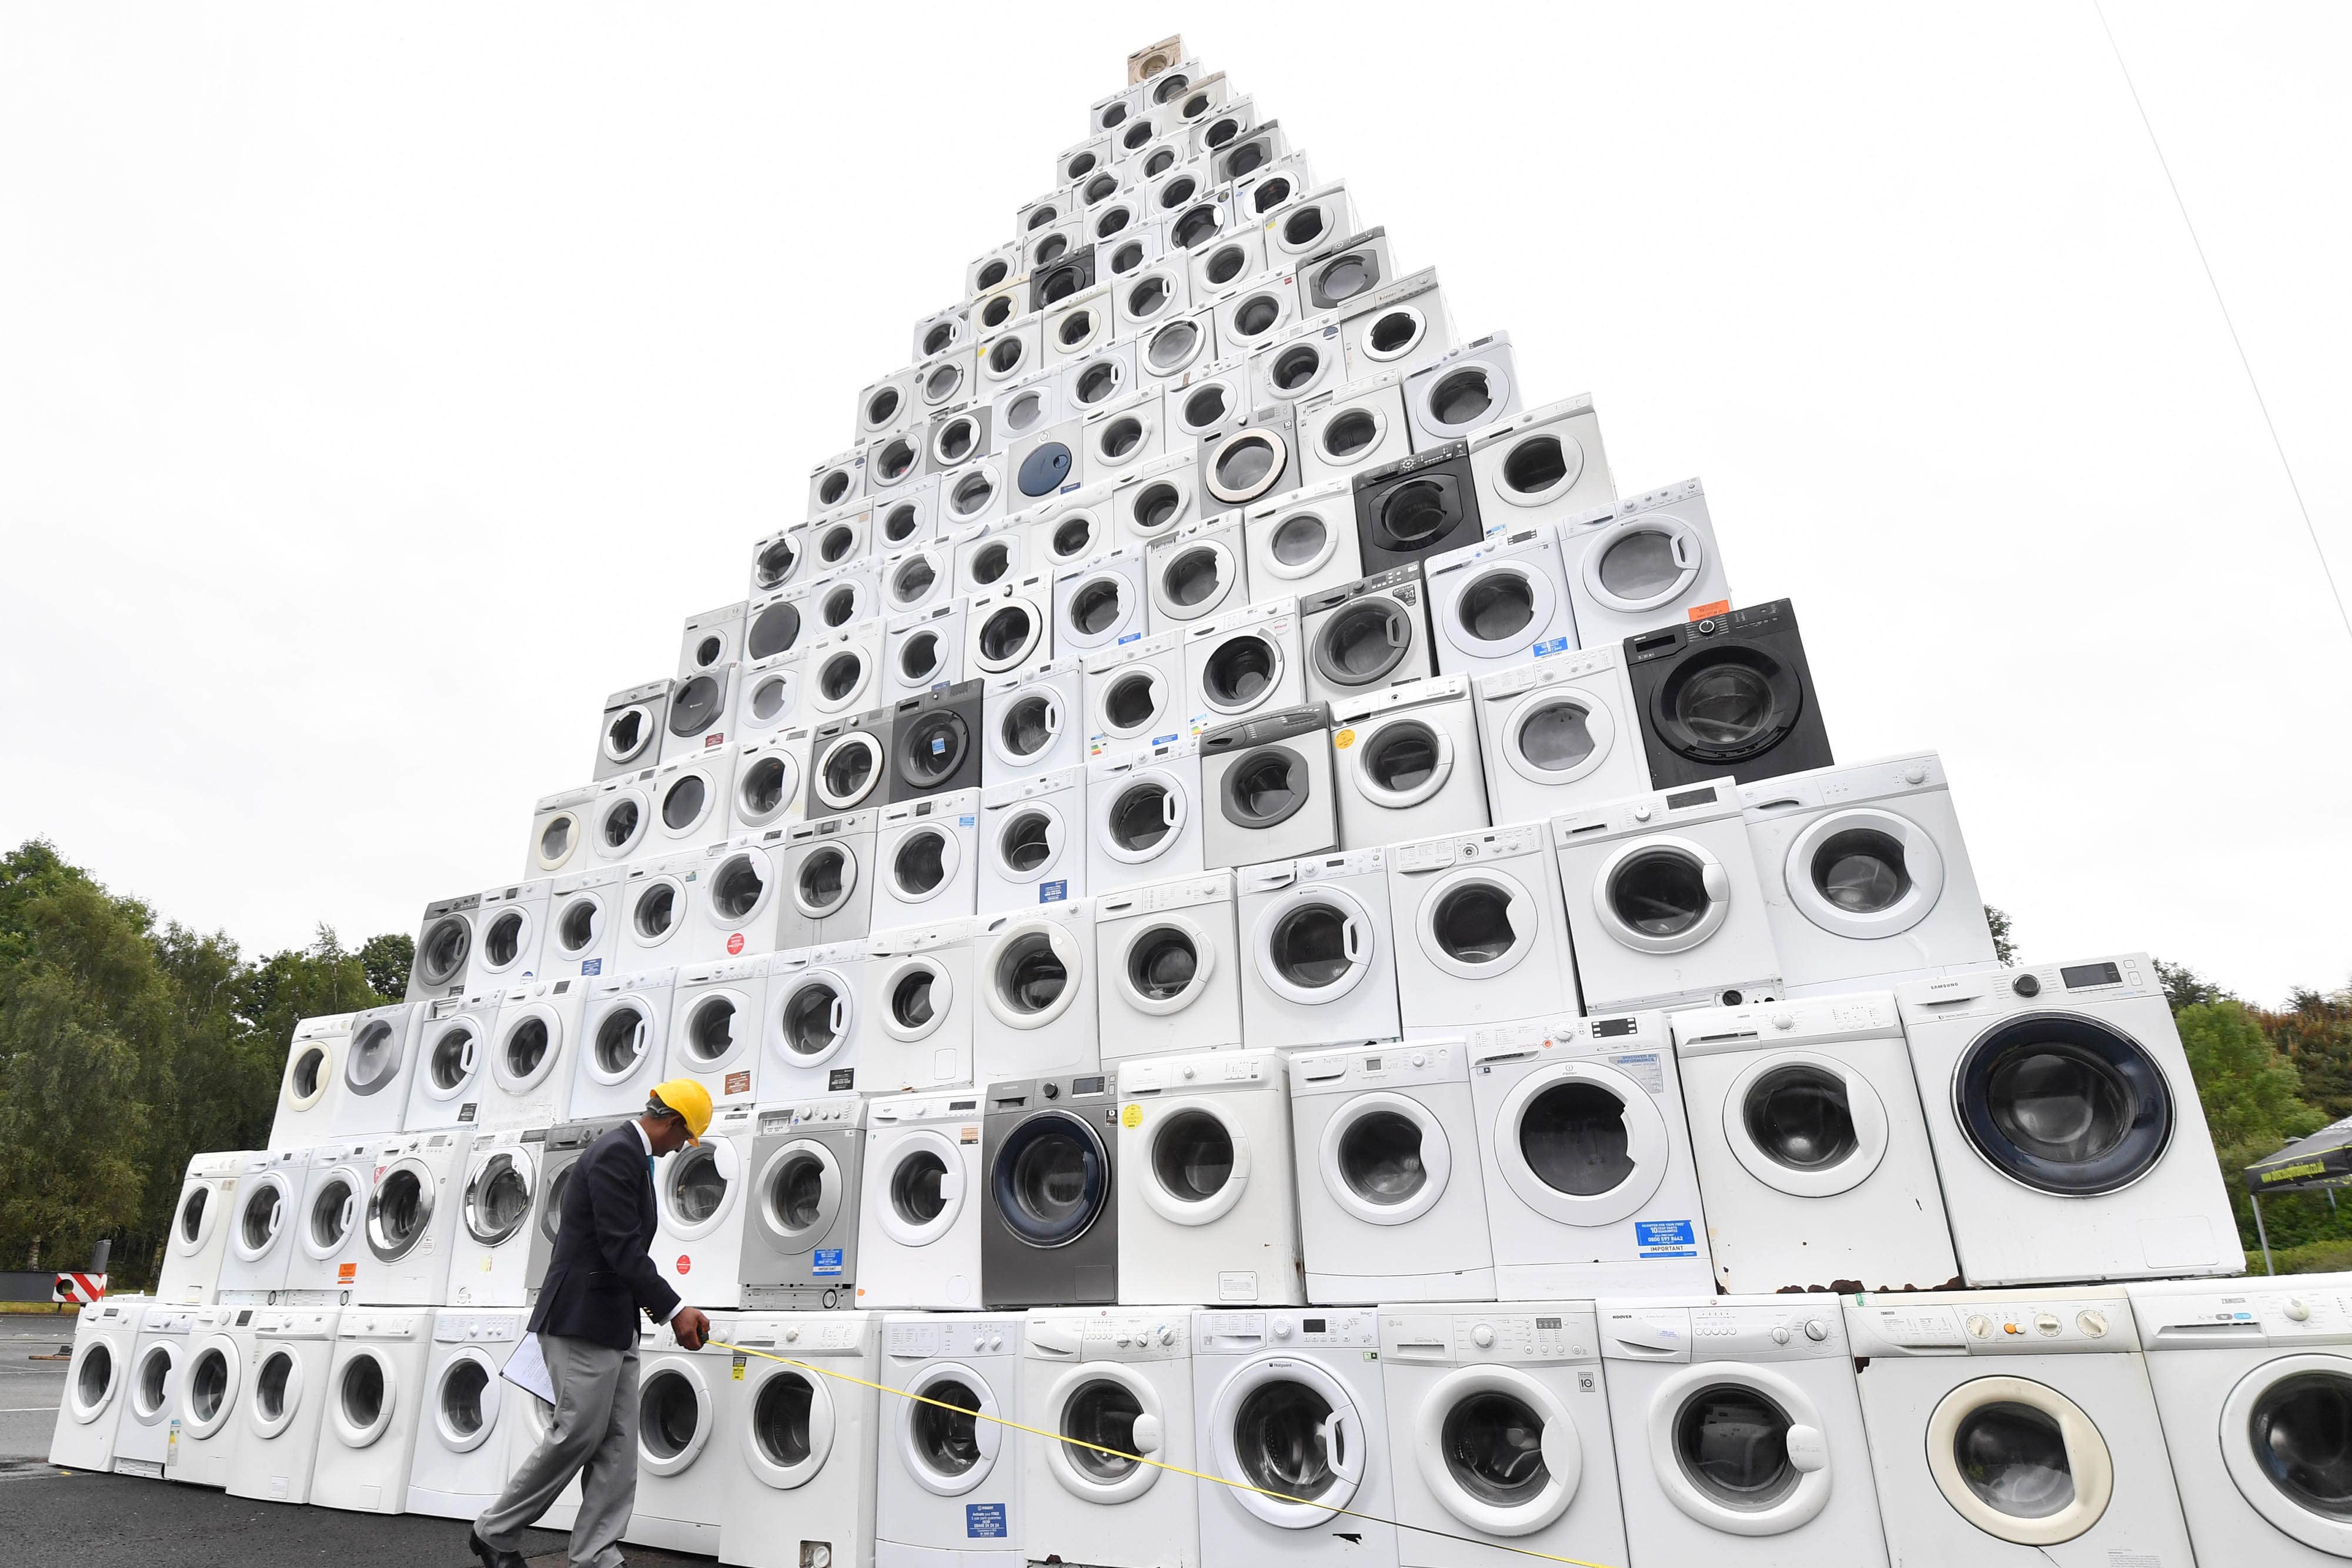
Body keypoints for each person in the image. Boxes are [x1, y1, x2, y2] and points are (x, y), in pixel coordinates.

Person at [470, 1081, 717, 1568]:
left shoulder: (632, 1154)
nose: (676, 1151)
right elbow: (619, 1245)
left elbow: (622, 1251)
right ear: (670, 1122)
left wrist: (652, 1308)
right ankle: (494, 1531)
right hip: (581, 1319)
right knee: (578, 1432)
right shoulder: (616, 1153)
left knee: (619, 1442)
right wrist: (674, 1308)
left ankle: (596, 1554)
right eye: (682, 1138)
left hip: (614, 1319)